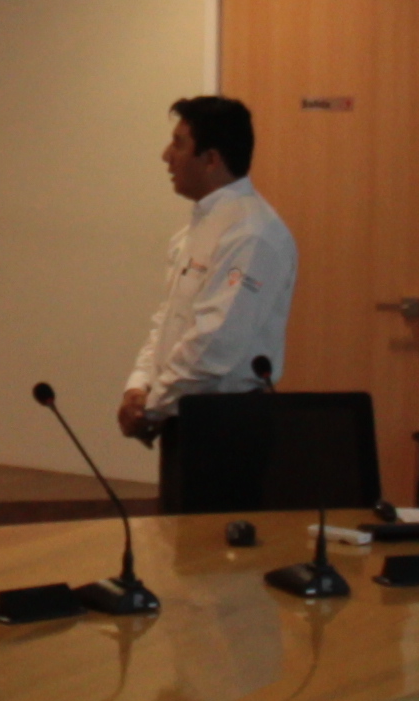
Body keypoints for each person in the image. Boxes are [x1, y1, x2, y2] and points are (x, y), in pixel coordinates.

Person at [118, 93, 297, 447]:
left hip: (228, 425)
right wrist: (138, 386)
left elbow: (215, 345)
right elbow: (169, 321)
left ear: (211, 159)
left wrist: (152, 407)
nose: (166, 155)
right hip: (182, 414)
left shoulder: (252, 234)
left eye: (178, 144)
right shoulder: (196, 231)